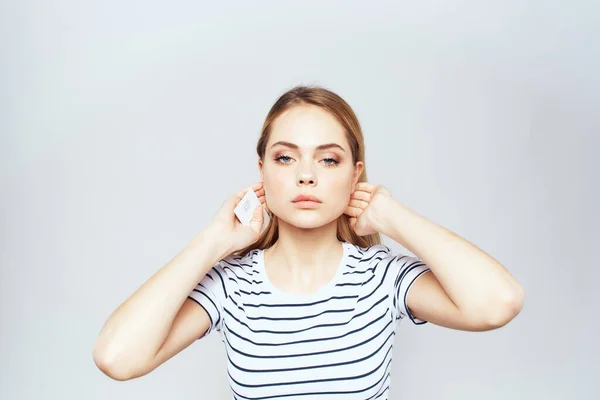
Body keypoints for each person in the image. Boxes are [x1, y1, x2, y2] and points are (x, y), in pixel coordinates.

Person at [93, 85, 525, 398]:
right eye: (285, 157)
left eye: (328, 159)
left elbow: (498, 302)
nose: (306, 174)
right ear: (262, 170)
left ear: (355, 173)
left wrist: (393, 217)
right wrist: (211, 243)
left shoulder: (382, 278)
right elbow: (117, 357)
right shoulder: (230, 287)